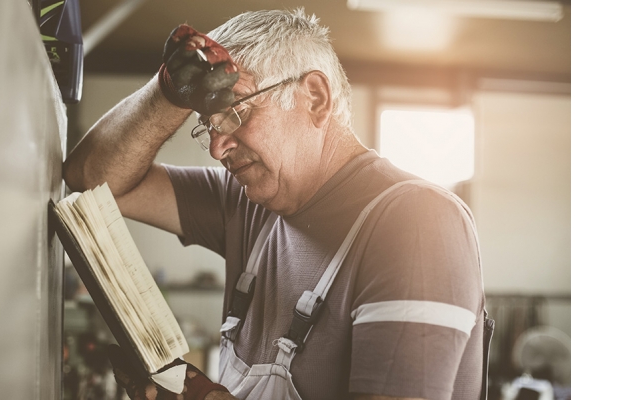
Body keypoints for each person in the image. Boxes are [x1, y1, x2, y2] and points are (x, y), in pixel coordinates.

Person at [63, 8, 488, 400]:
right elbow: (92, 182)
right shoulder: (247, 204)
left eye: (234, 112)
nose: (216, 148)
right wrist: (169, 94)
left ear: (316, 98)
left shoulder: (416, 224)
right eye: (207, 125)